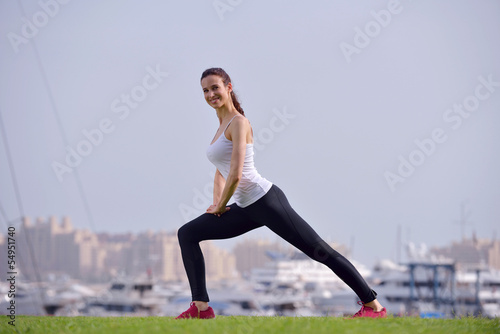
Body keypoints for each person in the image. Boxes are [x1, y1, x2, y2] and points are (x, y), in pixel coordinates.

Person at [175, 67, 386, 319]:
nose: (210, 94)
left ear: (228, 87)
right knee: (188, 233)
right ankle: (200, 307)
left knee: (320, 251)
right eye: (205, 91)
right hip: (246, 208)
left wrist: (221, 205)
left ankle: (373, 307)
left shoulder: (239, 123)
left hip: (267, 202)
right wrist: (216, 204)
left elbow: (236, 173)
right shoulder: (221, 126)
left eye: (215, 88)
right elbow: (221, 172)